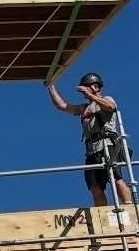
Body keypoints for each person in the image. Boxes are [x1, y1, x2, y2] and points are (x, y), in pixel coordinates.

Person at [46, 71, 133, 208]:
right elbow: (62, 106)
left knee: (116, 178)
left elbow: (111, 107)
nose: (83, 91)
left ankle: (129, 207)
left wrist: (90, 95)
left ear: (96, 87)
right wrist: (51, 87)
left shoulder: (107, 99)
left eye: (87, 86)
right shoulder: (84, 108)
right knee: (94, 185)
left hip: (107, 144)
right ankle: (102, 213)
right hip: (92, 150)